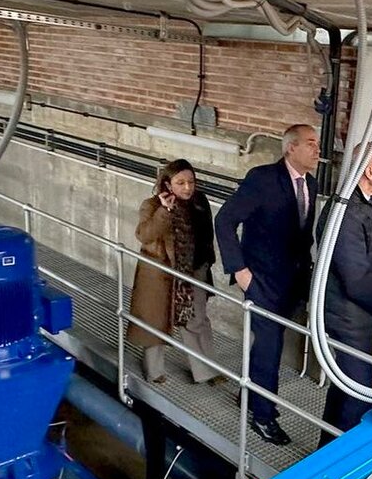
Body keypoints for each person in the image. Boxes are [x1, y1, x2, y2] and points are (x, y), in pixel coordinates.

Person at [214, 124, 319, 446]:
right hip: (261, 281)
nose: (318, 151)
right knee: (269, 345)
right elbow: (225, 221)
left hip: (292, 280)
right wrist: (240, 270)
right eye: (311, 144)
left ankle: (250, 392)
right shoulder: (262, 179)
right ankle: (263, 416)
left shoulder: (310, 184)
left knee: (266, 344)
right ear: (291, 148)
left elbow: (300, 236)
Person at [315, 144, 372, 445]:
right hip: (345, 320)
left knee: (344, 390)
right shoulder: (345, 213)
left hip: (360, 318)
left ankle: (323, 454)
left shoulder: (369, 204)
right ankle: (342, 468)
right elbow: (354, 279)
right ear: (369, 171)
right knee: (360, 397)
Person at [127, 159, 224, 386]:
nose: (188, 188)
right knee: (157, 320)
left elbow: (206, 235)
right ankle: (154, 370)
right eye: (181, 183)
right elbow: (145, 235)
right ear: (168, 185)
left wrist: (206, 263)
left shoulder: (200, 201)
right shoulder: (151, 205)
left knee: (197, 319)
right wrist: (165, 210)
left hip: (194, 270)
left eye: (191, 182)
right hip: (161, 274)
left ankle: (206, 370)